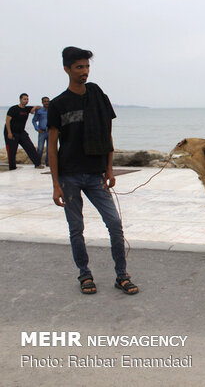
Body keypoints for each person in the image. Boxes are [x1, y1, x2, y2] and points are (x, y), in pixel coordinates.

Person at [47, 46, 138, 295]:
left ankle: (122, 275)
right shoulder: (58, 105)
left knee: (115, 223)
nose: (84, 72)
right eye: (79, 67)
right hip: (69, 176)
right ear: (66, 69)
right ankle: (84, 274)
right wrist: (55, 185)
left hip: (95, 174)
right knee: (76, 228)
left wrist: (109, 169)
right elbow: (52, 148)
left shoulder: (97, 95)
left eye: (87, 67)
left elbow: (107, 133)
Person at [4, 93, 44, 170]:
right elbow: (7, 121)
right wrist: (9, 132)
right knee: (12, 151)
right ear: (20, 99)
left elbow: (40, 107)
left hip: (22, 132)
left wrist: (34, 108)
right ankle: (12, 168)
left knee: (30, 147)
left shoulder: (27, 109)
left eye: (27, 99)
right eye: (24, 99)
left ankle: (37, 164)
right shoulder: (13, 109)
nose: (26, 101)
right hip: (11, 132)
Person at [32, 96, 50, 166]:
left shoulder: (51, 110)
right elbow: (34, 121)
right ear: (42, 102)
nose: (46, 103)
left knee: (49, 148)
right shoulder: (39, 111)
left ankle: (48, 162)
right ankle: (37, 163)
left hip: (50, 131)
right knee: (40, 148)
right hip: (42, 132)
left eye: (47, 101)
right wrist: (37, 129)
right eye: (45, 101)